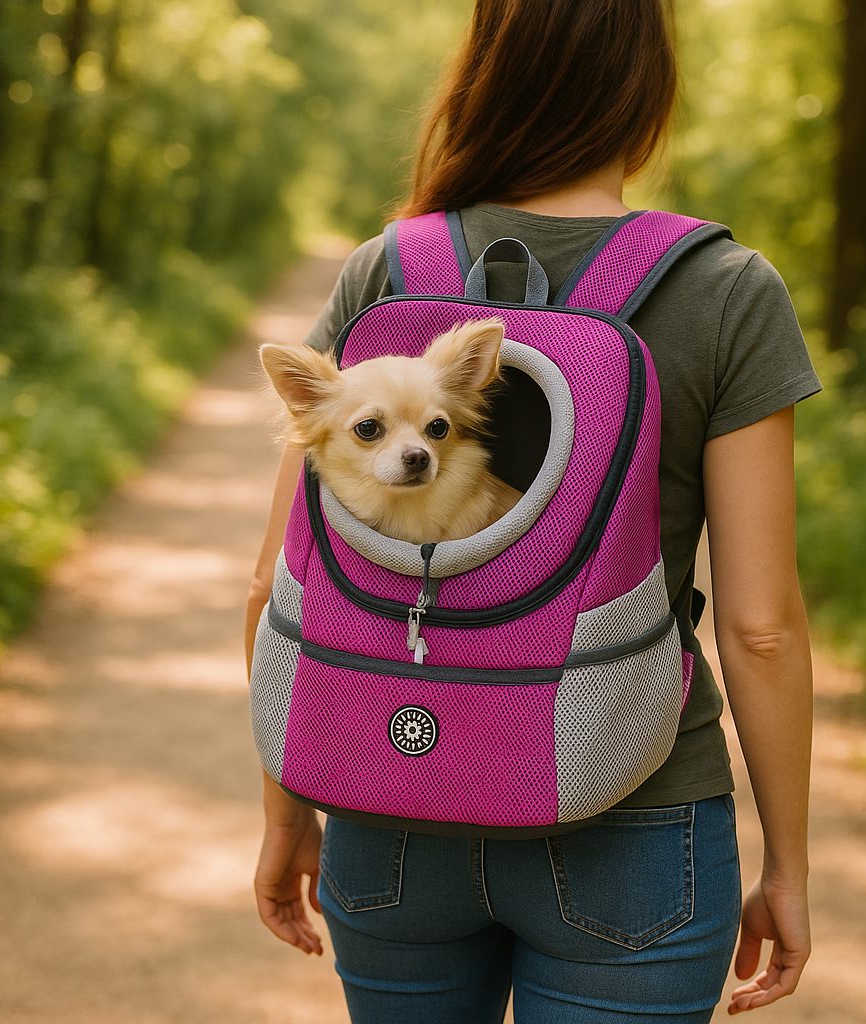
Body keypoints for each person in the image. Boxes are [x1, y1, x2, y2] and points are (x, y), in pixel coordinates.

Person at [243, 1, 818, 1020]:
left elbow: (283, 579)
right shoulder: (725, 287)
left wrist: (286, 802)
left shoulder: (389, 268)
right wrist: (789, 863)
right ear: (649, 85)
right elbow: (760, 627)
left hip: (389, 789)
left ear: (484, 71)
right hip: (633, 803)